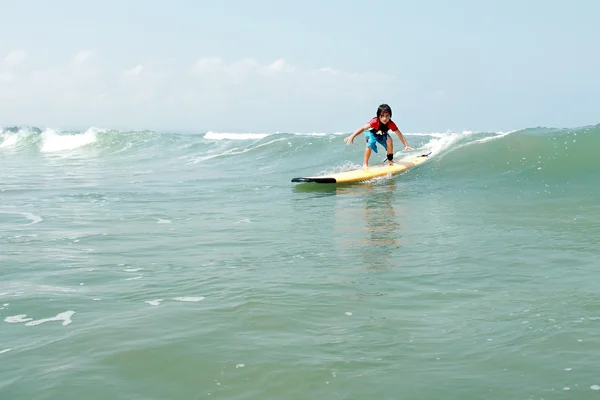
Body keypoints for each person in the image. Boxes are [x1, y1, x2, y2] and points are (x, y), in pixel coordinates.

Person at [344, 104, 413, 168]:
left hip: (381, 133)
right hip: (371, 132)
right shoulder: (374, 121)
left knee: (389, 141)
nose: (384, 118)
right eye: (382, 116)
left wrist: (406, 145)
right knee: (371, 142)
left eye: (387, 116)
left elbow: (399, 134)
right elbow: (363, 128)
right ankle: (365, 164)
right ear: (378, 116)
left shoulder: (391, 124)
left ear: (390, 116)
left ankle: (390, 160)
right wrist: (352, 136)